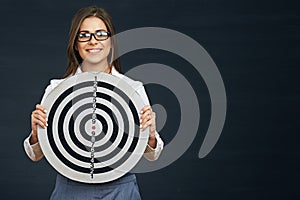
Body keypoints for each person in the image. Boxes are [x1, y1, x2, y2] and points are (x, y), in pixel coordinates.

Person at [23, 6, 164, 200]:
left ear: (111, 41)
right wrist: (35, 134)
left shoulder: (132, 89)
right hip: (70, 188)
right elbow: (36, 155)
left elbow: (152, 156)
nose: (93, 41)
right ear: (75, 43)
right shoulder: (57, 90)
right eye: (84, 35)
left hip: (121, 189)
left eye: (100, 34)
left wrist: (150, 134)